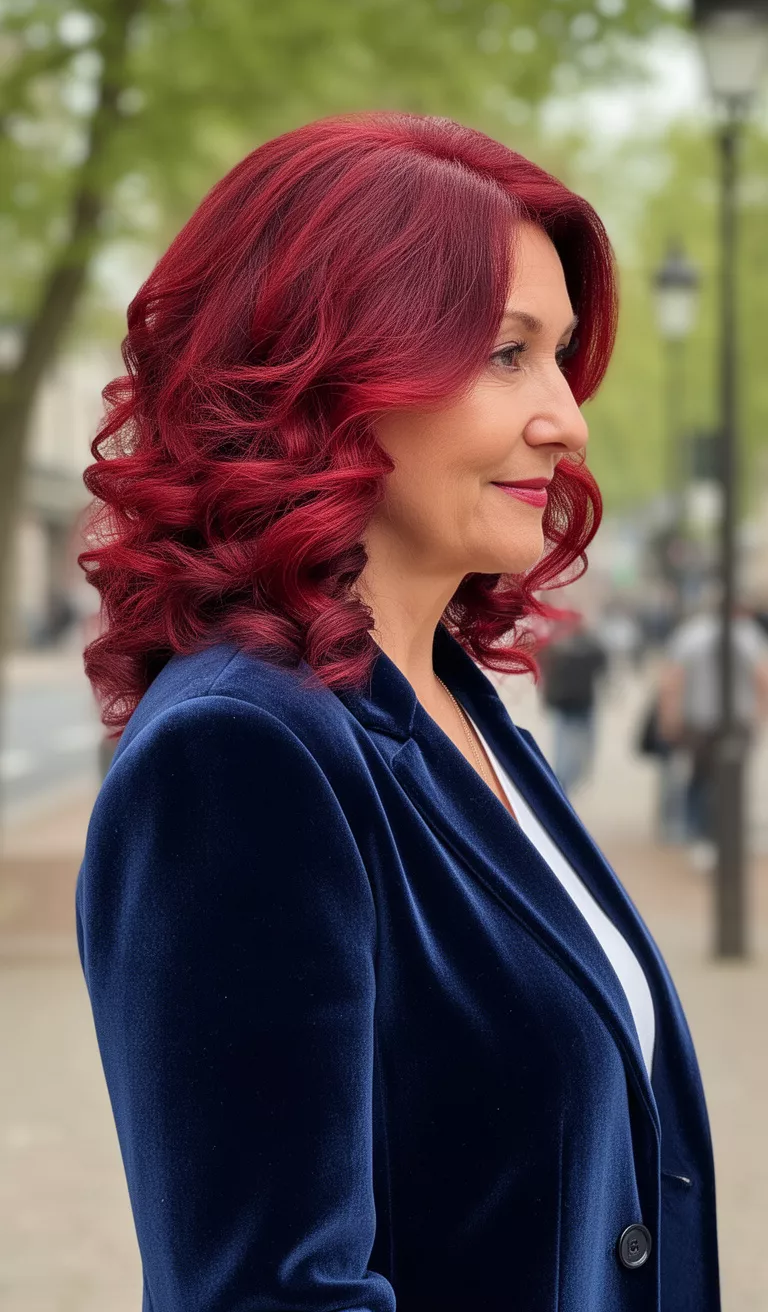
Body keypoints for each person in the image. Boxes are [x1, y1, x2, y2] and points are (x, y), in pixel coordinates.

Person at [76, 113, 720, 1312]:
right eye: (505, 353)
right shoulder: (244, 749)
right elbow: (274, 1292)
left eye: (560, 356)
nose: (569, 419)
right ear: (331, 376)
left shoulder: (449, 701)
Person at [657, 597, 768, 871]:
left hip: (699, 719)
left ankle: (699, 836)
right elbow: (762, 675)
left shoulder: (691, 633)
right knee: (733, 780)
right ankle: (725, 835)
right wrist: (760, 713)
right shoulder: (748, 634)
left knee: (700, 779)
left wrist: (669, 716)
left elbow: (672, 678)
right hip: (738, 720)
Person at [536, 615, 608, 795]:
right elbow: (602, 662)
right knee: (577, 746)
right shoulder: (587, 648)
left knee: (567, 745)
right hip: (577, 704)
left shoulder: (556, 648)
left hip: (570, 705)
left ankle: (565, 781)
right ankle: (567, 781)